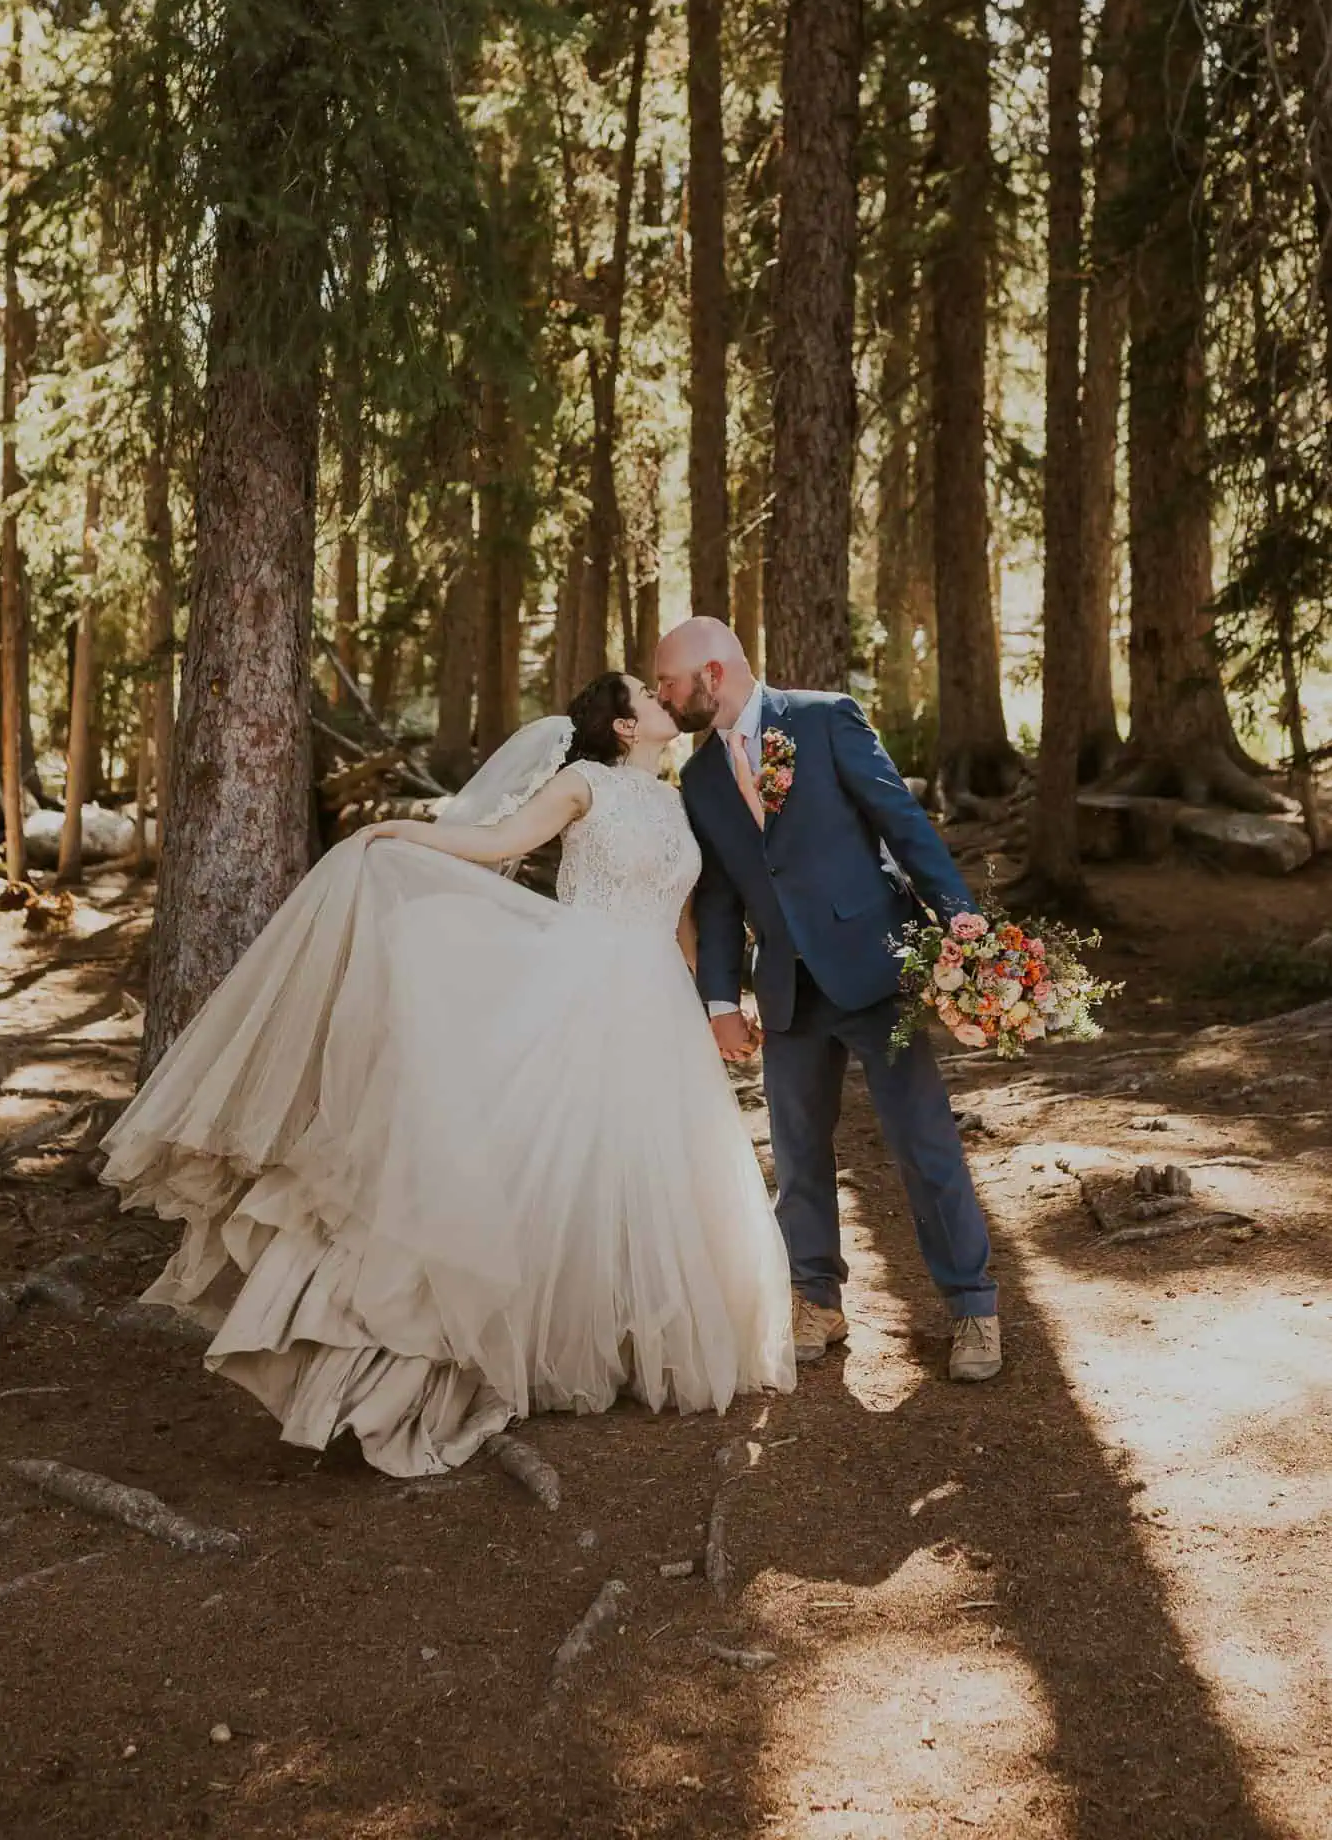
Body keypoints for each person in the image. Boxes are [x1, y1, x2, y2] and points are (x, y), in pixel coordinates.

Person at [100, 673, 795, 1478]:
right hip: (579, 990)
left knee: (636, 1168)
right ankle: (407, 1359)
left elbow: (681, 920)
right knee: (534, 1161)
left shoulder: (677, 803)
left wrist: (714, 1009)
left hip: (655, 1009)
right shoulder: (584, 783)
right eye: (644, 692)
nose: (660, 699)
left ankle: (617, 1341)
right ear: (620, 723)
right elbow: (496, 845)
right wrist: (397, 831)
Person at [655, 616, 1001, 1381]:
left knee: (923, 1144)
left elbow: (902, 825)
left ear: (712, 674)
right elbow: (716, 897)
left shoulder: (822, 718)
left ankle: (973, 1306)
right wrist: (718, 998)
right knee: (798, 1155)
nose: (661, 696)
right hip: (785, 985)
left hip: (874, 969)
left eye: (667, 682)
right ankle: (816, 1297)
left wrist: (962, 929)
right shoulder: (699, 777)